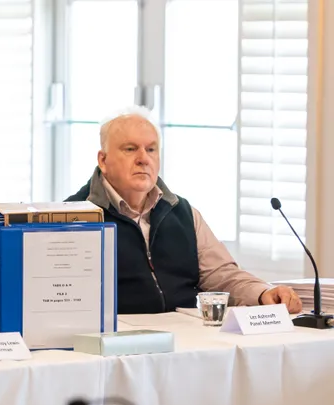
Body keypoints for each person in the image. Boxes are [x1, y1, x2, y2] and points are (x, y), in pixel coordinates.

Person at [65, 109, 302, 314]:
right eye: (130, 149)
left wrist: (263, 292)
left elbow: (222, 274)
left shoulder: (183, 212)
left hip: (186, 339)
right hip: (116, 343)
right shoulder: (73, 217)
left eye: (151, 149)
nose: (143, 159)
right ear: (103, 161)